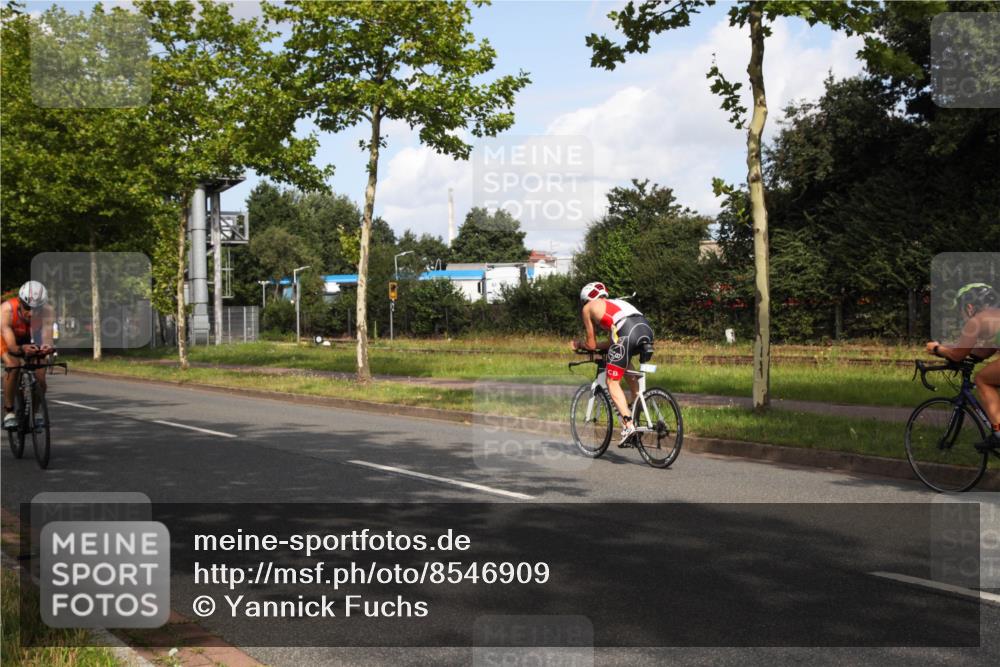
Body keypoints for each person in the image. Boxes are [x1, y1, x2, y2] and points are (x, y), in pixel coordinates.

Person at [569, 281, 654, 445]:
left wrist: (579, 345)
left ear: (586, 299)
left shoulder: (588, 308)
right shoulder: (616, 304)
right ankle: (637, 408)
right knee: (624, 362)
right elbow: (611, 343)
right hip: (646, 329)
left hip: (627, 331)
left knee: (612, 381)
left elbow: (591, 345)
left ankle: (628, 425)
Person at [925, 282, 1000, 451]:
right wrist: (971, 357)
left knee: (982, 379)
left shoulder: (977, 320)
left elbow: (957, 354)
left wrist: (936, 349)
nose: (962, 316)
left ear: (969, 307)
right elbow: (986, 350)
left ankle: (998, 432)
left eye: (960, 311)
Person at [2, 281, 55, 430]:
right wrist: (22, 349)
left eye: (36, 309)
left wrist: (46, 347)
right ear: (19, 302)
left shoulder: (48, 311)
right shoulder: (6, 310)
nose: (31, 313)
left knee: (40, 376)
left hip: (29, 336)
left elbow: (47, 337)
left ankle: (35, 413)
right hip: (7, 339)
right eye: (27, 307)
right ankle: (9, 412)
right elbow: (12, 347)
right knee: (13, 365)